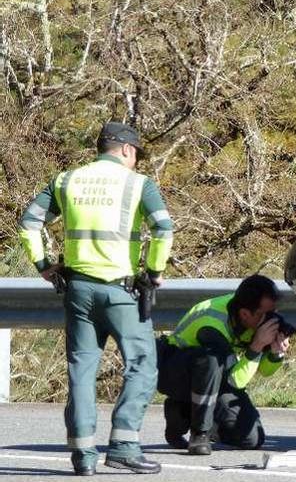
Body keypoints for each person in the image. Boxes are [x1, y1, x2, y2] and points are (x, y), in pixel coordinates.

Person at [18, 121, 174, 475]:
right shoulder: (138, 185)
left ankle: (83, 455)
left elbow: (30, 222)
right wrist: (152, 272)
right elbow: (163, 227)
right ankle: (123, 444)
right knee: (142, 364)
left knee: (82, 369)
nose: (136, 161)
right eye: (136, 155)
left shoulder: (66, 180)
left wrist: (44, 265)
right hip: (120, 290)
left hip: (78, 290)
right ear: (126, 150)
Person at [156, 274, 291, 455]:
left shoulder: (252, 319)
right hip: (174, 372)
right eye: (264, 314)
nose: (270, 319)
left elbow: (264, 371)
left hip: (212, 380)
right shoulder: (212, 324)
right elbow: (234, 381)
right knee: (210, 361)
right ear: (245, 314)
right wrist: (256, 346)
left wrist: (276, 353)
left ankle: (199, 418)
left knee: (251, 438)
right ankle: (196, 430)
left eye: (273, 312)